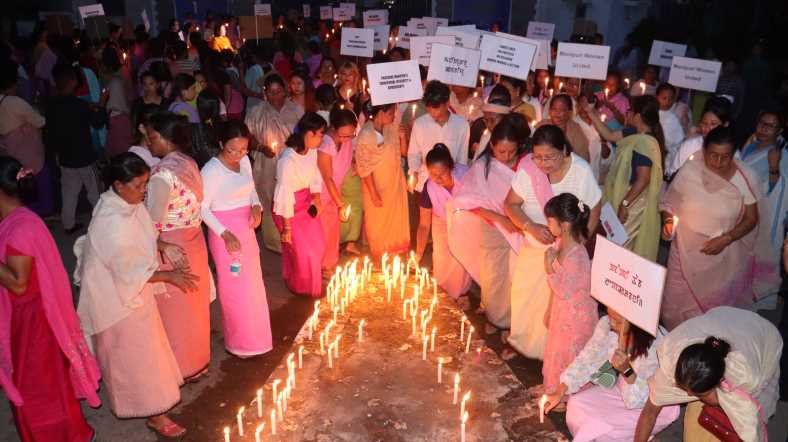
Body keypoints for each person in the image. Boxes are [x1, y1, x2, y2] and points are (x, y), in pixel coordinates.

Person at [75, 153, 194, 438]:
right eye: (139, 186)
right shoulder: (111, 219)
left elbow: (144, 235)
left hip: (133, 290)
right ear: (118, 185)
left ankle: (154, 407)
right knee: (134, 356)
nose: (144, 192)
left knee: (145, 351)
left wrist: (162, 245)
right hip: (114, 297)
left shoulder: (128, 204)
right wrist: (168, 276)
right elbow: (125, 268)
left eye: (146, 184)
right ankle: (155, 413)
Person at [0, 156, 101, 441]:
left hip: (32, 323)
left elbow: (18, 284)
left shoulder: (21, 227)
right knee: (44, 387)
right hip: (29, 319)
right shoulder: (17, 220)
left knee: (37, 391)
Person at [503, 125, 601, 360]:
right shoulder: (528, 169)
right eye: (537, 157)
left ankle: (552, 354)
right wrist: (531, 226)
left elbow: (595, 207)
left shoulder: (580, 171)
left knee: (557, 305)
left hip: (567, 252)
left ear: (564, 150)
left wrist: (574, 246)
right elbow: (510, 204)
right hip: (535, 245)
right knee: (525, 299)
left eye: (549, 157)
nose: (543, 163)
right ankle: (523, 346)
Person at [660, 127, 760, 329]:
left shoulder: (745, 178)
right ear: (704, 150)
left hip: (718, 255)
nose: (718, 162)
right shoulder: (690, 169)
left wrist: (727, 239)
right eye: (713, 155)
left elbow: (751, 218)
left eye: (725, 157)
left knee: (707, 313)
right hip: (683, 251)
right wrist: (668, 222)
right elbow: (670, 203)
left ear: (733, 155)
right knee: (672, 304)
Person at [635, 307, 781, 442]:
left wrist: (723, 404)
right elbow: (650, 412)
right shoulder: (674, 362)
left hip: (760, 336)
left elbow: (750, 426)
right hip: (720, 320)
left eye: (700, 394)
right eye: (686, 391)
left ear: (721, 380)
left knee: (746, 416)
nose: (688, 395)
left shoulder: (745, 376)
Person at [542, 308, 680, 441]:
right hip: (621, 391)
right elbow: (588, 357)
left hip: (648, 404)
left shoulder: (657, 343)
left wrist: (626, 369)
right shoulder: (606, 324)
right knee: (576, 405)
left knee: (603, 429)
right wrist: (561, 390)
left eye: (618, 321)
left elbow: (636, 400)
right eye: (610, 315)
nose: (612, 323)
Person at [145, 112, 213, 380]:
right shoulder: (188, 162)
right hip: (194, 241)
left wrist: (159, 245)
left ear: (165, 139)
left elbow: (152, 222)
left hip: (172, 245)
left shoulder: (162, 175)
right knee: (193, 307)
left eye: (152, 138)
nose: (149, 144)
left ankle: (182, 367)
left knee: (175, 310)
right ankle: (198, 361)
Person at [200, 121, 273, 357]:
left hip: (246, 228)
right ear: (221, 144)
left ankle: (258, 340)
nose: (238, 155)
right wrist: (224, 233)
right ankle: (239, 342)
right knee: (235, 289)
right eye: (232, 150)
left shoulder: (243, 162)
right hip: (224, 234)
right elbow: (202, 208)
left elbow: (251, 190)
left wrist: (256, 206)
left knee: (253, 287)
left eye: (243, 149)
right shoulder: (211, 170)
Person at [450, 115, 526, 334]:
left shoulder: (526, 164)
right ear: (492, 145)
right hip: (493, 229)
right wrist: (500, 218)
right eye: (502, 152)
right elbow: (467, 201)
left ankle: (510, 323)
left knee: (515, 277)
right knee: (493, 278)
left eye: (512, 151)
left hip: (520, 229)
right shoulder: (483, 167)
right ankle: (495, 318)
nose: (507, 156)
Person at [586, 95, 665, 261]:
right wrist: (590, 111)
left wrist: (625, 203)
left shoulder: (646, 142)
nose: (626, 113)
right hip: (622, 196)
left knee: (621, 247)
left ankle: (618, 282)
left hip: (633, 201)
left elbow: (643, 179)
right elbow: (608, 135)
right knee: (613, 241)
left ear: (638, 116)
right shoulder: (633, 133)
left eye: (629, 110)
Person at [541, 193, 598, 396]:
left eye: (549, 220)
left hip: (577, 318)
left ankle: (566, 394)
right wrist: (549, 309)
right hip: (563, 312)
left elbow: (565, 290)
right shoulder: (559, 245)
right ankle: (554, 388)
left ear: (564, 225)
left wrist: (548, 268)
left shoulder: (577, 255)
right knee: (557, 350)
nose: (547, 224)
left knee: (569, 354)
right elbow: (558, 291)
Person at [45, 63, 107, 234]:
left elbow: (49, 133)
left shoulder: (52, 105)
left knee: (69, 192)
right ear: (72, 82)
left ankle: (68, 224)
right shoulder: (78, 105)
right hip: (84, 157)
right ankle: (102, 223)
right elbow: (98, 122)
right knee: (94, 190)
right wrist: (101, 104)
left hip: (65, 157)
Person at [245, 74, 304, 253]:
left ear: (285, 92)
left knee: (290, 199)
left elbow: (304, 136)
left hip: (292, 164)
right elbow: (246, 137)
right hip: (267, 165)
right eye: (271, 93)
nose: (275, 96)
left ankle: (293, 238)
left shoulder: (296, 110)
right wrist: (261, 147)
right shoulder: (256, 112)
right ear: (265, 94)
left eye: (278, 92)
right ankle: (274, 243)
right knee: (269, 199)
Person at [273, 112, 327, 297]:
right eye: (320, 134)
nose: (322, 139)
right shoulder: (287, 160)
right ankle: (300, 286)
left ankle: (311, 283)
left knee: (318, 245)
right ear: (309, 134)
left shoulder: (311, 151)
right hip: (288, 210)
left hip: (305, 204)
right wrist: (286, 228)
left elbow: (314, 175)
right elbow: (284, 194)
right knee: (304, 251)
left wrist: (317, 198)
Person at [739, 110, 786, 303]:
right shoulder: (752, 146)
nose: (764, 129)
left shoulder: (782, 155)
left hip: (760, 218)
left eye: (770, 126)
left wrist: (774, 166)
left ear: (780, 130)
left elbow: (779, 192)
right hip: (741, 210)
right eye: (761, 123)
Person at [415, 143, 472, 299]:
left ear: (451, 167)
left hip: (466, 220)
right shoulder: (429, 187)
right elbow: (424, 224)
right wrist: (418, 253)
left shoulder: (466, 176)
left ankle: (462, 294)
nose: (438, 179)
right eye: (433, 174)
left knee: (460, 259)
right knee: (441, 258)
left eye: (442, 173)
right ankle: (442, 292)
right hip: (441, 220)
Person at [356, 101, 410, 258]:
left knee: (397, 221)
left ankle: (395, 256)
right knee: (378, 222)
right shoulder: (366, 134)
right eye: (391, 113)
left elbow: (403, 153)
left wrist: (402, 137)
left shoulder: (391, 128)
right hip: (377, 185)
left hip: (395, 182)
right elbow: (364, 168)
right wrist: (373, 193)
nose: (394, 116)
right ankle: (380, 256)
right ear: (380, 113)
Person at [0, 60, 51, 216]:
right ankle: (42, 213)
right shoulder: (15, 103)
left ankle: (27, 214)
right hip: (26, 150)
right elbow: (40, 121)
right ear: (12, 83)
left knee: (20, 184)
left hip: (9, 150)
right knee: (39, 181)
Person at [408, 80, 470, 192]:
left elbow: (462, 160)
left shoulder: (462, 125)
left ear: (447, 104)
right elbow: (413, 154)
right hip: (424, 184)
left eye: (437, 109)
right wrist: (414, 172)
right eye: (429, 109)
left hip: (449, 186)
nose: (433, 113)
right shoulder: (419, 124)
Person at [317, 108, 357, 272]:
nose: (347, 139)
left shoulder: (347, 142)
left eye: (351, 135)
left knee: (333, 233)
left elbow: (349, 157)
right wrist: (340, 204)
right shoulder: (325, 145)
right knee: (323, 233)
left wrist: (355, 163)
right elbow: (327, 178)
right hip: (322, 193)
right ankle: (319, 268)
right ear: (333, 128)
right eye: (343, 135)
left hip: (335, 192)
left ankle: (329, 265)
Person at [667, 97, 733, 176]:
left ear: (725, 125)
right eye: (704, 123)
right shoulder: (690, 146)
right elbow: (672, 173)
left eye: (713, 124)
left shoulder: (732, 153)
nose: (707, 128)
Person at [102, 46, 133, 157]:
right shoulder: (123, 71)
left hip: (113, 111)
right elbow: (129, 90)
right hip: (122, 110)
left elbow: (104, 91)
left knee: (116, 144)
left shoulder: (105, 73)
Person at [540, 94, 590, 162]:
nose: (557, 113)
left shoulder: (575, 129)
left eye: (562, 109)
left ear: (569, 113)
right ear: (549, 111)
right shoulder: (543, 126)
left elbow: (583, 158)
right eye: (554, 109)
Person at [655, 84, 686, 173]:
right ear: (657, 97)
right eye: (664, 98)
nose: (667, 102)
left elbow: (679, 140)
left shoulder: (673, 118)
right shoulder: (652, 113)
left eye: (671, 99)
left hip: (665, 156)